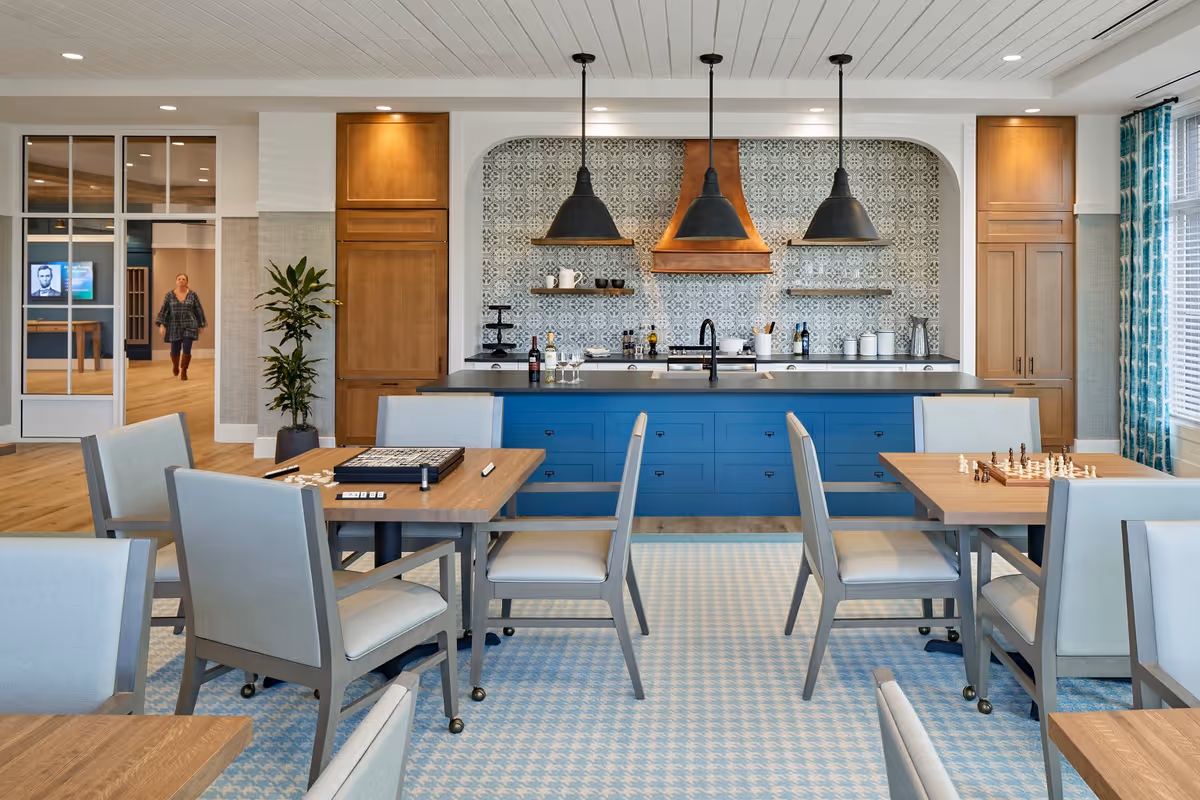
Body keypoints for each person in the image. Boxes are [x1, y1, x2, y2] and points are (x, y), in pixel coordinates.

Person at [155, 273, 206, 381]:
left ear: (187, 282)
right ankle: (175, 365)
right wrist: (162, 325)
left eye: (183, 279)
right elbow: (164, 310)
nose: (181, 280)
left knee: (187, 348)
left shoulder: (193, 295)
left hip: (189, 324)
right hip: (174, 324)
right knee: (175, 349)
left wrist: (200, 325)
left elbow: (198, 310)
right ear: (176, 281)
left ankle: (184, 370)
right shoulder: (169, 295)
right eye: (179, 279)